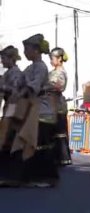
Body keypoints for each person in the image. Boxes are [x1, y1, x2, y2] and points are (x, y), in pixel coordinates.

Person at [10, 34, 59, 187]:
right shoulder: (30, 67)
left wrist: (20, 91)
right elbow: (20, 81)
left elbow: (34, 86)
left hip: (43, 110)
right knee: (31, 143)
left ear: (36, 50)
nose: (25, 52)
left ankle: (45, 178)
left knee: (41, 145)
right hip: (33, 109)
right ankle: (32, 176)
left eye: (27, 48)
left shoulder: (41, 67)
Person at [0, 46, 24, 186]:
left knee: (8, 140)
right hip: (9, 107)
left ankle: (10, 176)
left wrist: (2, 86)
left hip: (13, 108)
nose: (2, 61)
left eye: (4, 58)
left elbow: (15, 91)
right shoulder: (8, 73)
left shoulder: (15, 73)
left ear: (11, 59)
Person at [48, 47, 71, 166]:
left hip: (58, 104)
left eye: (52, 58)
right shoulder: (51, 72)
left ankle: (63, 157)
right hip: (50, 103)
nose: (51, 60)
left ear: (59, 58)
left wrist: (46, 86)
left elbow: (59, 86)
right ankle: (54, 157)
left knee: (60, 131)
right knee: (53, 131)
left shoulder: (61, 72)